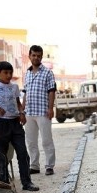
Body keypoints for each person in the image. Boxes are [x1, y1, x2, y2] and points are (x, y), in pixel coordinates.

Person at [0, 61, 39, 191]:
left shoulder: (15, 87)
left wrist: (22, 112)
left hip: (15, 123)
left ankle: (27, 183)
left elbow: (18, 102)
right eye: (5, 73)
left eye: (10, 72)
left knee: (23, 153)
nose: (9, 75)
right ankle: (5, 186)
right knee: (1, 155)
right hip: (0, 124)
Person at [22, 45, 56, 176]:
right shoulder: (28, 73)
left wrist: (50, 108)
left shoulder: (47, 72)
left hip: (43, 111)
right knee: (31, 141)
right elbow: (25, 93)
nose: (36, 57)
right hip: (29, 112)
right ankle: (34, 166)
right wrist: (22, 111)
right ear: (29, 56)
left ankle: (49, 166)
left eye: (38, 55)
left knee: (46, 140)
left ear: (41, 57)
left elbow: (51, 91)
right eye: (34, 55)